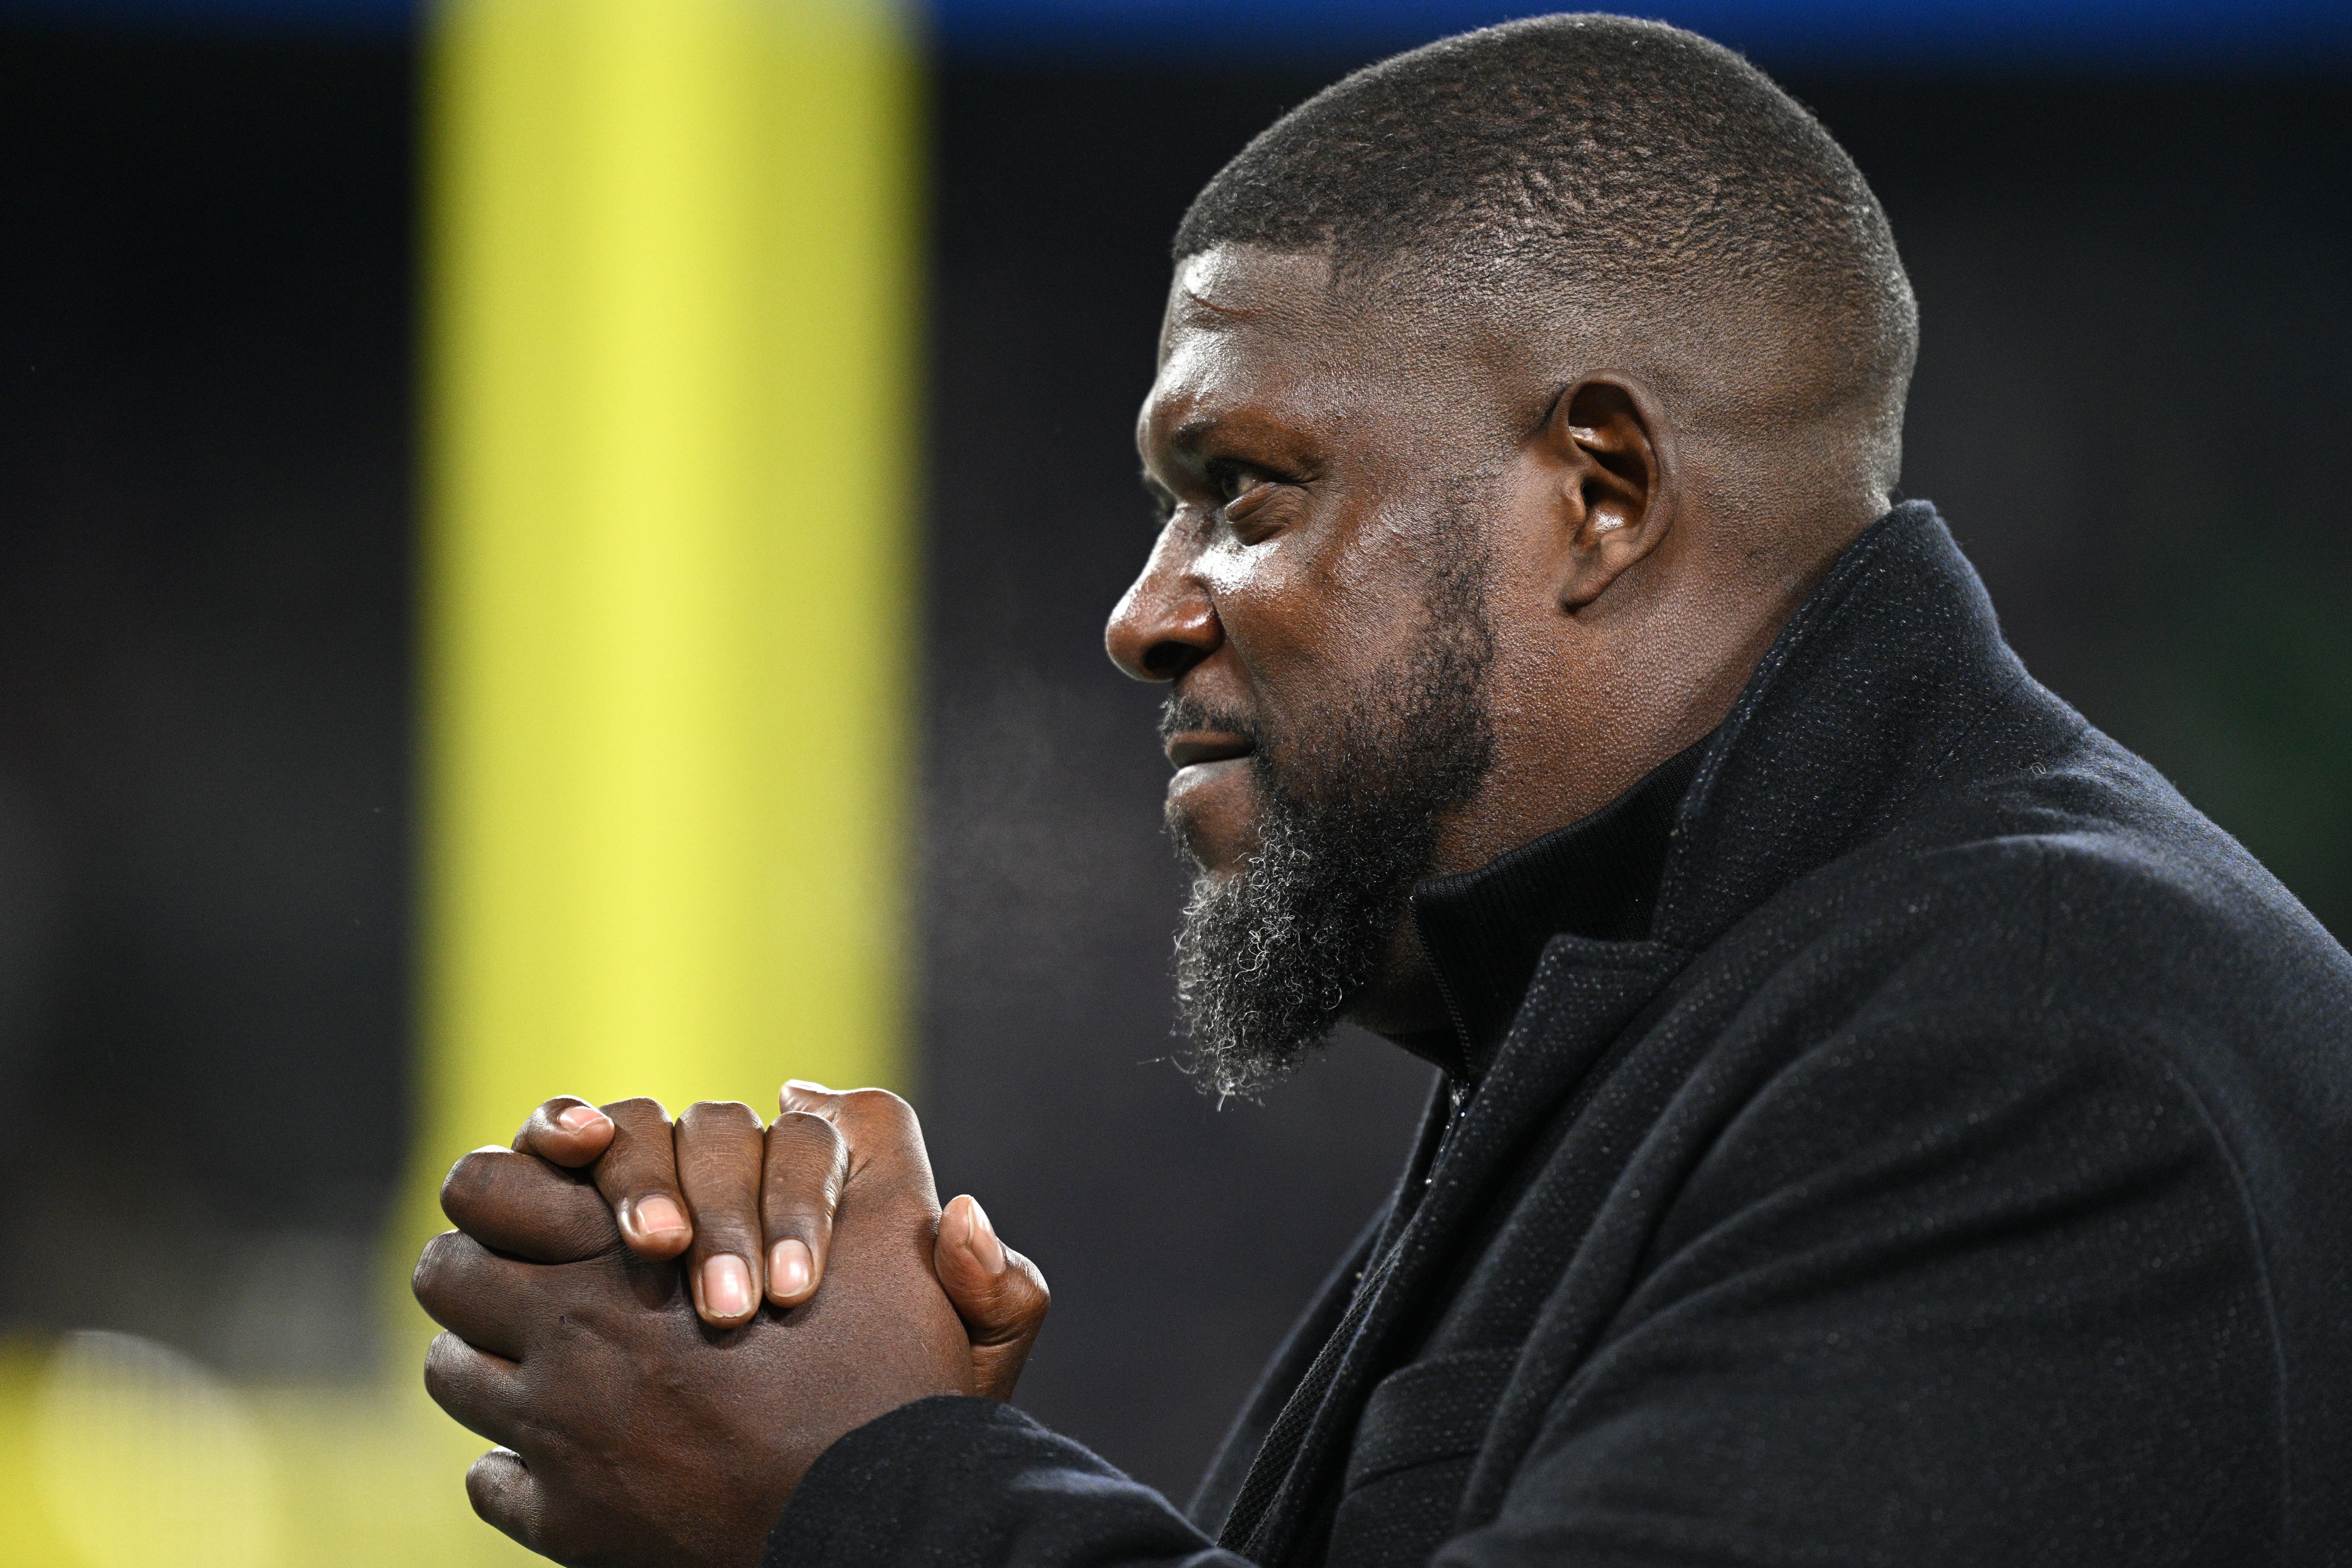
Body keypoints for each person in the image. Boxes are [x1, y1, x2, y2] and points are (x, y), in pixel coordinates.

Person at [410, 14, 2352, 1568]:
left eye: (1241, 488)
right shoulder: (1699, 993)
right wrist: (853, 1420)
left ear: (1597, 491)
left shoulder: (2024, 1023)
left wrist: (869, 1493)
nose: (1141, 613)